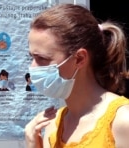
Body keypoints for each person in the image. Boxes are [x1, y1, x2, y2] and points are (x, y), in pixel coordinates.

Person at [24, 3, 129, 148]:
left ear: (79, 59)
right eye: (32, 57)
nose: (32, 67)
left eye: (42, 58)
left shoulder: (122, 121)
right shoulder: (53, 126)